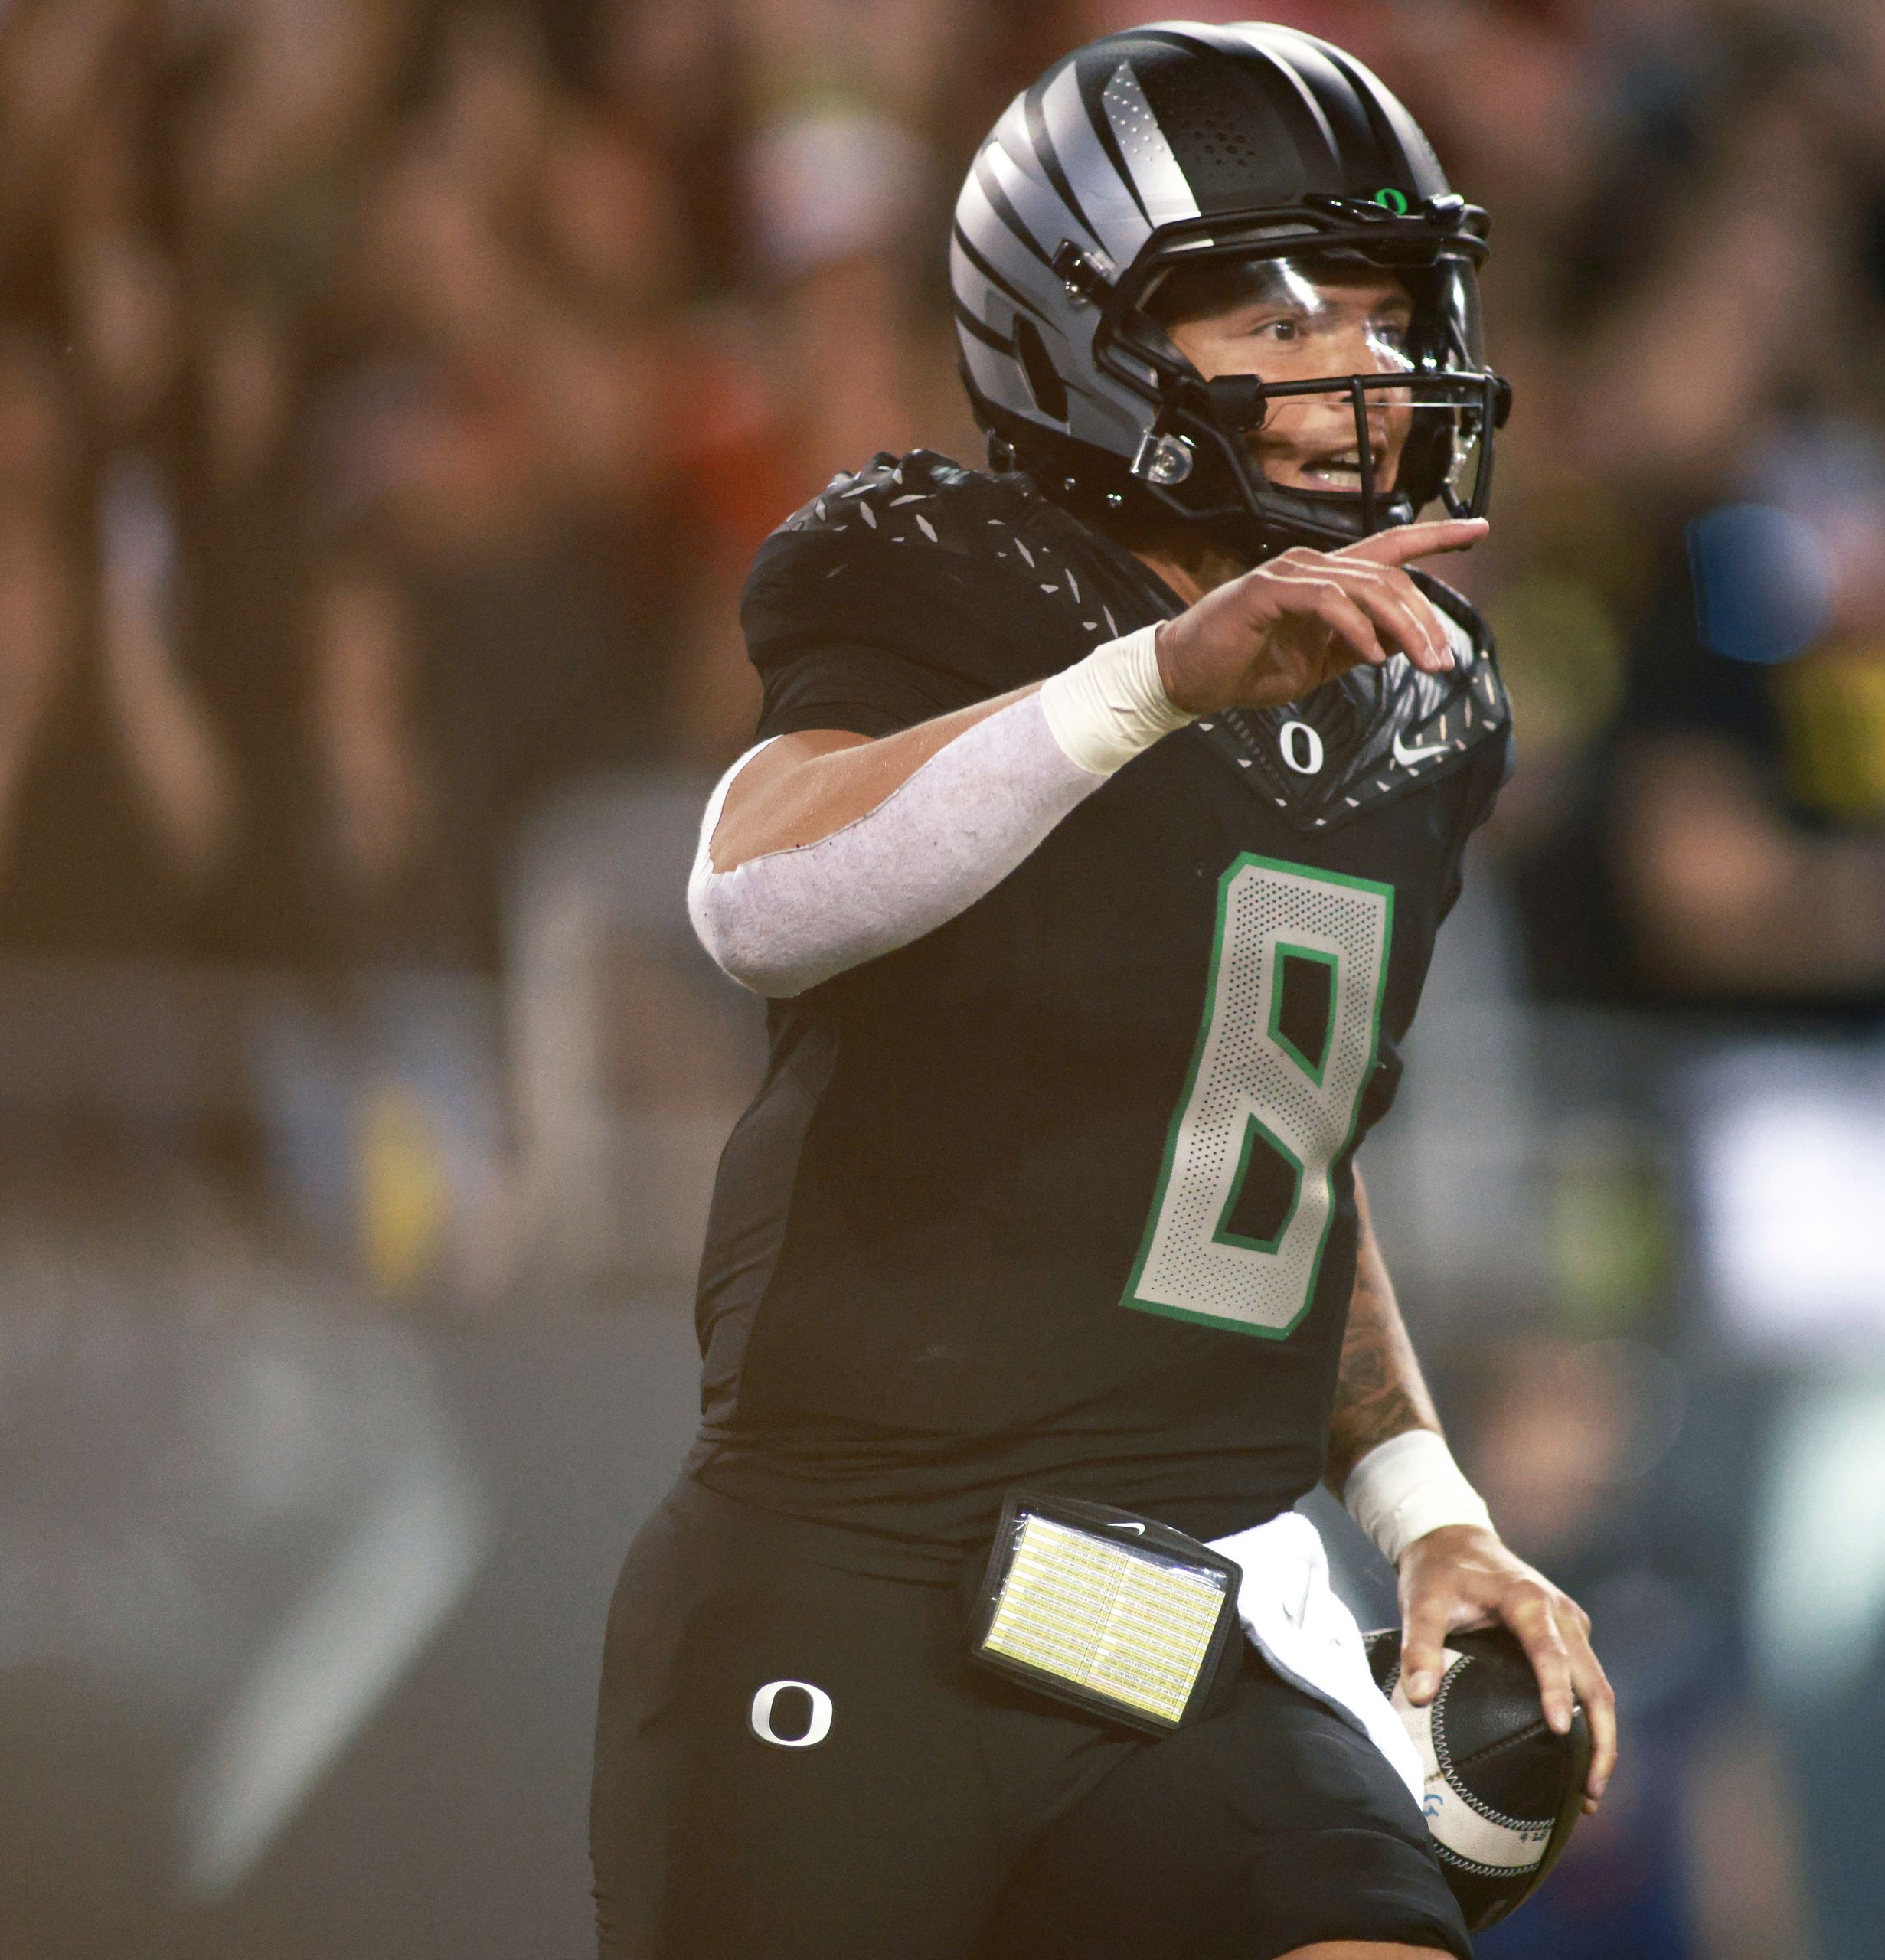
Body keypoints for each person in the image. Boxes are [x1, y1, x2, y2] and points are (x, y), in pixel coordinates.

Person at [588, 26, 1614, 1960]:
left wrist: (1426, 1508)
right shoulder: (953, 570)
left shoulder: (1421, 689)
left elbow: (1271, 1126)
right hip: (845, 1582)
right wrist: (1149, 686)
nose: (1357, 366)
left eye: (1384, 307)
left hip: (1171, 1613)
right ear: (1086, 335)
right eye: (1271, 309)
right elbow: (755, 888)